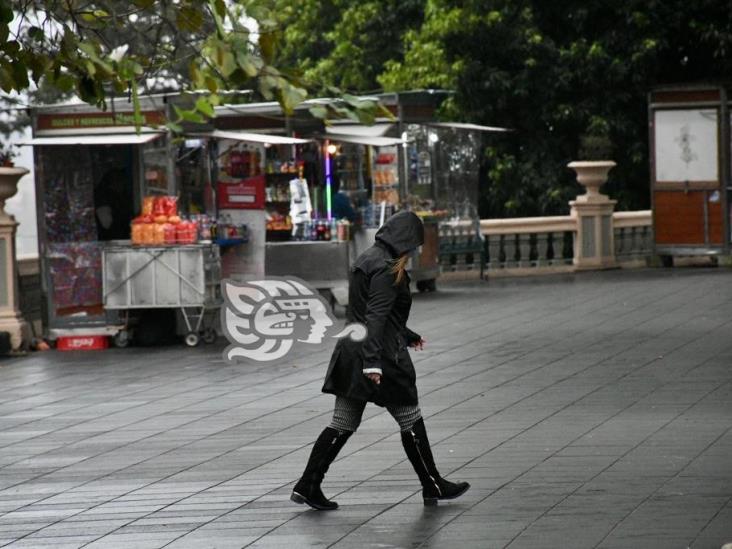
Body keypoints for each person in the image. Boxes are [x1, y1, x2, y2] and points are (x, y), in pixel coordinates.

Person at [291, 210, 470, 510]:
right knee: (410, 417)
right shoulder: (388, 268)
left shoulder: (367, 258)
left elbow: (367, 312)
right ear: (406, 242)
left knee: (343, 422)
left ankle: (308, 486)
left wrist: (407, 334)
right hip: (379, 357)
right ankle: (433, 484)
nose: (414, 252)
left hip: (352, 351)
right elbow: (376, 316)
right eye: (413, 246)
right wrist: (373, 363)